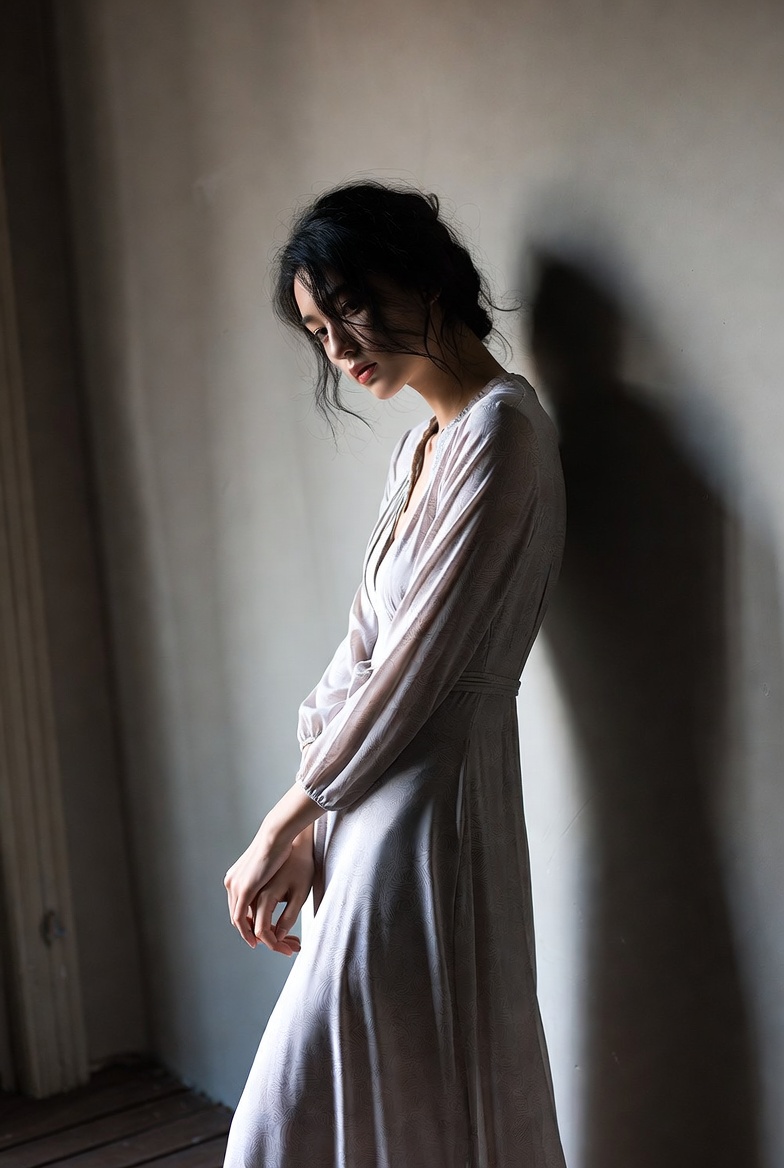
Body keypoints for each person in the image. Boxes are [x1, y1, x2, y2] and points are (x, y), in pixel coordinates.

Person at [222, 182, 568, 1168]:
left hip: (433, 806)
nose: (338, 346)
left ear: (424, 279)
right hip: (371, 801)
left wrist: (281, 820)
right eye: (316, 329)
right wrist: (313, 822)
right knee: (380, 1090)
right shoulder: (424, 446)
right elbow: (361, 653)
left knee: (364, 1096)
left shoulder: (502, 430)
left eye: (350, 307)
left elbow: (416, 672)